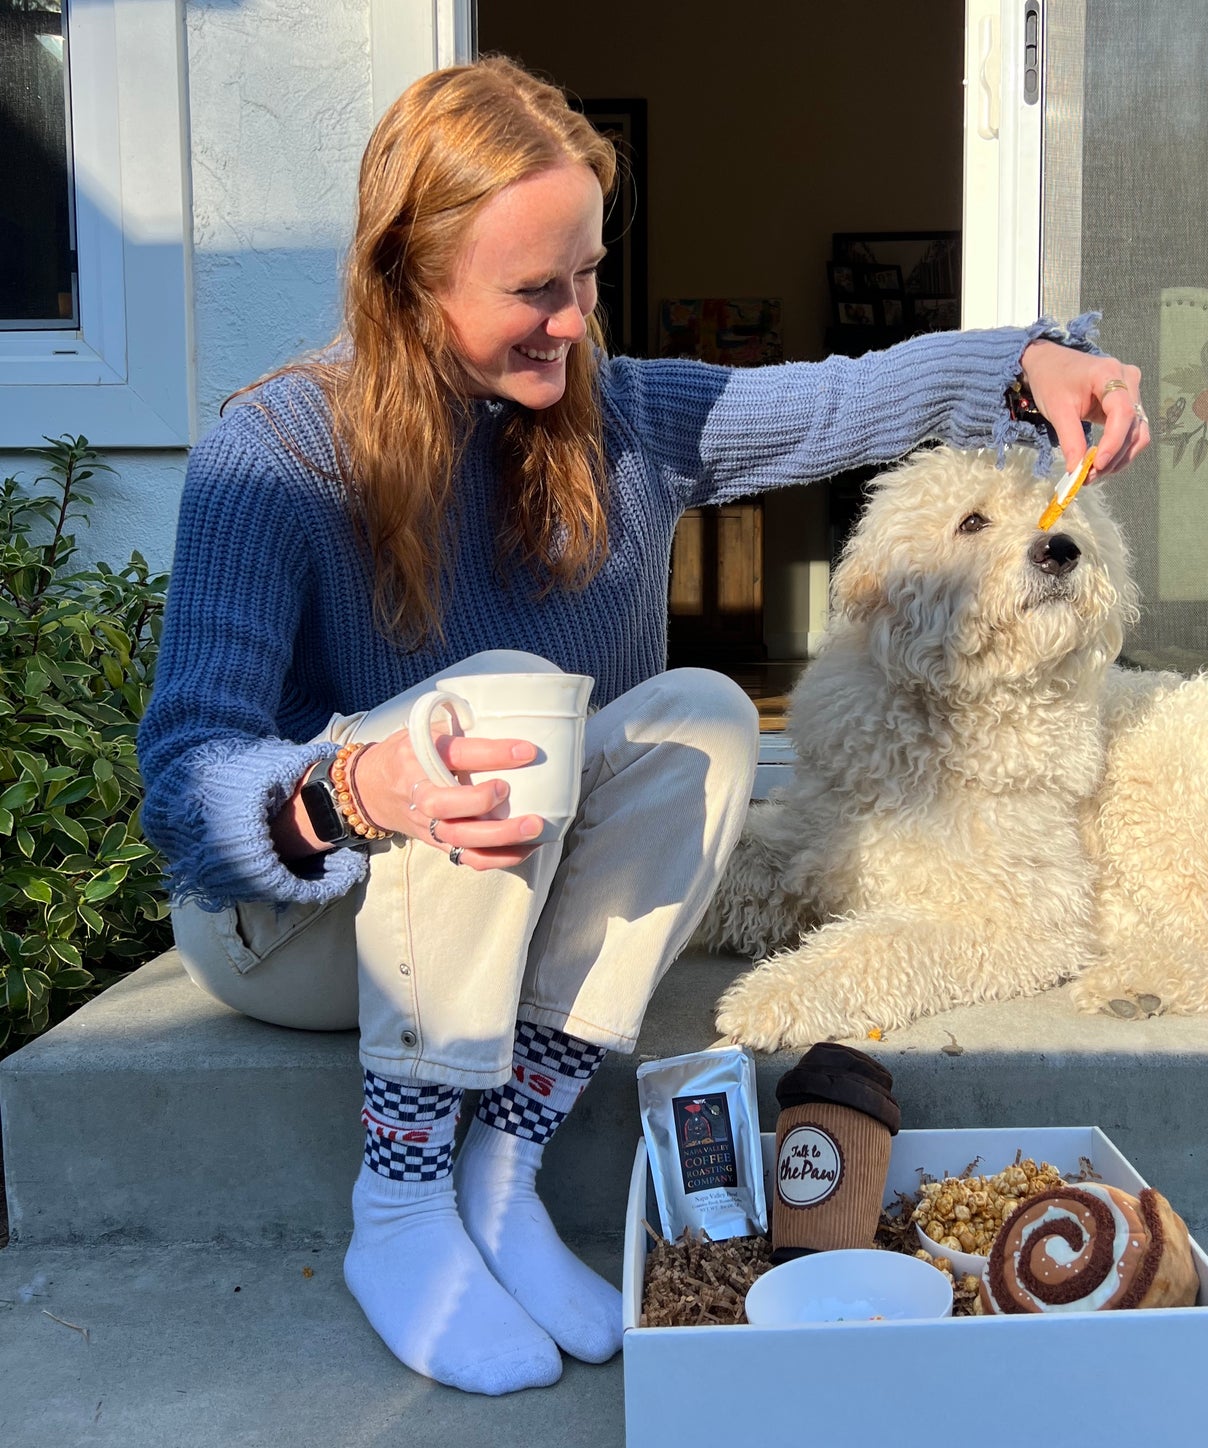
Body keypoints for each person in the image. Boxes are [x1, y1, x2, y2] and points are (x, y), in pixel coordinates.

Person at [136, 54, 1151, 1396]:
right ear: (407, 277)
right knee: (490, 705)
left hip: (507, 921)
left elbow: (846, 395)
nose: (571, 321)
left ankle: (504, 1173)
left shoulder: (625, 429)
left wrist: (1035, 367)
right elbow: (185, 795)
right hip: (305, 935)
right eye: (531, 290)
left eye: (587, 277)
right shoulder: (275, 458)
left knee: (701, 716)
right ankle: (400, 1202)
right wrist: (360, 787)